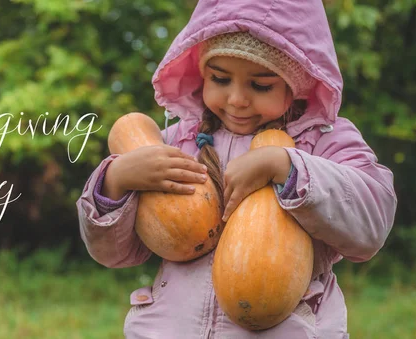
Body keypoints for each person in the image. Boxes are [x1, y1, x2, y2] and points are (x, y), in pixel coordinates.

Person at [76, 0, 397, 337]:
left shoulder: (323, 141)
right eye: (220, 79)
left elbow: (372, 221)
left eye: (260, 85)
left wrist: (288, 167)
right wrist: (115, 183)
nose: (236, 99)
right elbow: (114, 253)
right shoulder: (177, 144)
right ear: (203, 75)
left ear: (296, 82)